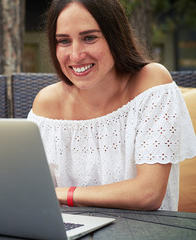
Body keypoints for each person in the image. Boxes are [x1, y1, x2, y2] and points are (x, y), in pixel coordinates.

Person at [27, 0, 196, 211]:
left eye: (89, 38)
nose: (76, 55)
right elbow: (34, 193)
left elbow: (149, 193)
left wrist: (66, 194)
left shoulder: (151, 83)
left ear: (115, 36)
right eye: (64, 41)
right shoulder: (46, 104)